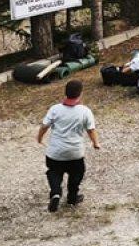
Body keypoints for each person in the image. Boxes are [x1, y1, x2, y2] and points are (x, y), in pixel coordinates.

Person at [36, 80, 99, 212]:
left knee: (54, 172)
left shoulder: (55, 109)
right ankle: (72, 197)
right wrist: (95, 143)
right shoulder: (85, 111)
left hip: (55, 151)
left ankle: (55, 193)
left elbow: (44, 126)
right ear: (81, 94)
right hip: (75, 152)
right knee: (76, 174)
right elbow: (91, 130)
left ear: (65, 93)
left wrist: (39, 138)